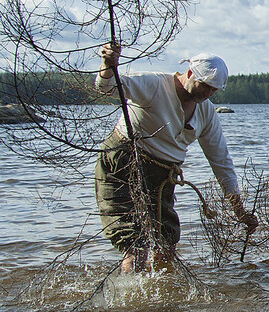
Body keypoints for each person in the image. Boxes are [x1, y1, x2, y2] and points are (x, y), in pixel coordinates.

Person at [94, 43, 258, 273]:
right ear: (190, 73)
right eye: (206, 86)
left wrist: (238, 210)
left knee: (166, 246)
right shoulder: (154, 84)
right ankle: (126, 299)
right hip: (122, 164)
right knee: (135, 246)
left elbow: (221, 161)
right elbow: (108, 88)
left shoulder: (207, 111)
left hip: (161, 178)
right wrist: (108, 65)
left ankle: (163, 301)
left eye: (214, 90)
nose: (208, 94)